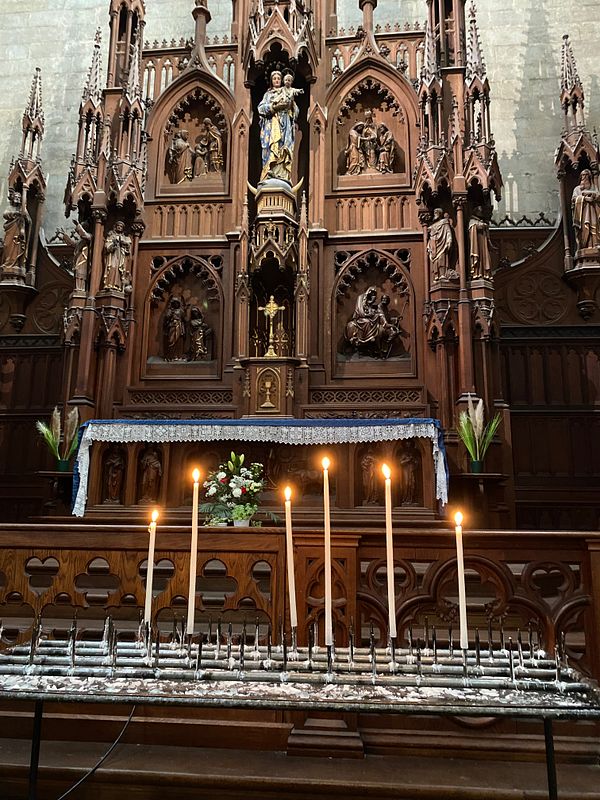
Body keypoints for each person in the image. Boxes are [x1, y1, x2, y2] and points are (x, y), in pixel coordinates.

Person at [258, 70, 300, 183]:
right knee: (273, 147)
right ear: (272, 81)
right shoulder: (268, 95)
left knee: (284, 147)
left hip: (285, 125)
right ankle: (269, 171)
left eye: (278, 78)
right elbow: (260, 109)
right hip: (272, 125)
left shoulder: (286, 92)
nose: (276, 80)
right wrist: (274, 107)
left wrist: (290, 104)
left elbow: (296, 112)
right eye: (274, 78)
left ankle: (282, 174)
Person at [1, 192, 31, 281]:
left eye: (19, 197)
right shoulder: (10, 207)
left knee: (16, 248)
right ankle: (7, 264)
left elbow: (29, 221)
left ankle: (16, 264)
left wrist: (24, 216)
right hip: (10, 231)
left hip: (18, 234)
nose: (17, 199)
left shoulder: (23, 209)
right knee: (7, 246)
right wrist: (16, 214)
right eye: (15, 197)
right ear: (12, 198)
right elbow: (5, 214)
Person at [58, 220, 92, 293]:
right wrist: (64, 236)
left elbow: (85, 235)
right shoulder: (81, 240)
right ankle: (78, 288)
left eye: (82, 227)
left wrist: (78, 225)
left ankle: (81, 289)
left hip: (84, 259)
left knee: (81, 273)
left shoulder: (89, 236)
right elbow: (73, 244)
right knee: (77, 273)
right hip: (79, 258)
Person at [572, 168, 600, 250]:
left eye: (586, 175)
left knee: (594, 226)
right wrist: (585, 199)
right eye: (582, 175)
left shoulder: (594, 187)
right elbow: (574, 199)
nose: (584, 177)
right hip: (582, 214)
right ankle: (585, 245)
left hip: (593, 211)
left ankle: (595, 244)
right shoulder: (577, 189)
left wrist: (591, 194)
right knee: (585, 227)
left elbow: (598, 195)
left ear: (589, 176)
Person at [427, 208, 457, 281]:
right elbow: (430, 235)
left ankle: (443, 274)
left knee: (442, 258)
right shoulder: (433, 225)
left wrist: (449, 240)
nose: (435, 214)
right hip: (434, 244)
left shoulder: (444, 222)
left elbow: (448, 232)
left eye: (436, 212)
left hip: (442, 243)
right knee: (435, 260)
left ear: (440, 213)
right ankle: (437, 275)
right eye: (434, 212)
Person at [102, 221, 131, 291]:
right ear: (115, 227)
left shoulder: (125, 237)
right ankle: (109, 284)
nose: (119, 227)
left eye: (121, 227)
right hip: (112, 255)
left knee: (119, 270)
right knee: (112, 267)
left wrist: (123, 243)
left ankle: (117, 285)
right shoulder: (111, 236)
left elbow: (128, 247)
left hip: (120, 256)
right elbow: (107, 246)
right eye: (118, 226)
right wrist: (113, 245)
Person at [468, 206, 493, 279]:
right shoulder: (472, 220)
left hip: (482, 241)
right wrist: (481, 225)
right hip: (476, 242)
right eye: (480, 211)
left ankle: (483, 273)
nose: (481, 213)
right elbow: (473, 227)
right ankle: (476, 273)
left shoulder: (480, 220)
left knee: (484, 256)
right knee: (477, 256)